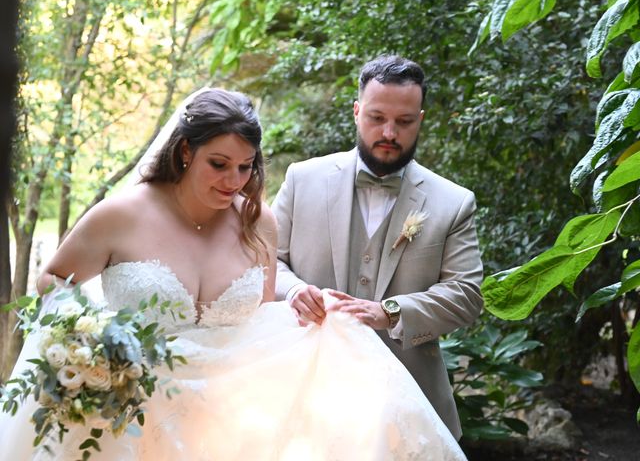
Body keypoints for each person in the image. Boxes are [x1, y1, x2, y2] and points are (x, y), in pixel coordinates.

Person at [0, 87, 466, 460]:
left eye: (246, 167)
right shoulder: (119, 216)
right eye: (219, 165)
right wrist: (95, 340)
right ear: (185, 151)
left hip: (227, 418)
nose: (234, 181)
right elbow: (52, 282)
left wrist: (299, 301)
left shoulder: (257, 221)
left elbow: (259, 322)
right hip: (131, 412)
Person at [272, 54, 484, 440]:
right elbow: (263, 261)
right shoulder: (302, 180)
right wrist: (293, 290)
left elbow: (466, 294)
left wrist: (390, 312)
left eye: (404, 122)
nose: (389, 132)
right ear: (356, 112)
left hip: (408, 404)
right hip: (302, 390)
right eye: (376, 118)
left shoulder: (454, 202)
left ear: (419, 120)